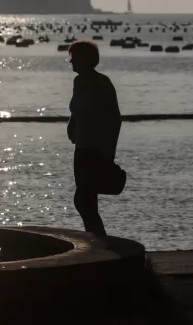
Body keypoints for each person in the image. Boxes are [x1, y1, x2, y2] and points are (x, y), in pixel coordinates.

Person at [66, 40, 122, 238]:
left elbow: (115, 118)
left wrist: (109, 152)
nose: (70, 63)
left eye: (73, 59)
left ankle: (98, 239)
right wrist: (72, 125)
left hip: (96, 148)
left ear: (84, 59)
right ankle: (96, 237)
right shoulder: (78, 82)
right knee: (85, 198)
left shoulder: (102, 82)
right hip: (81, 147)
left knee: (83, 198)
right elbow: (78, 109)